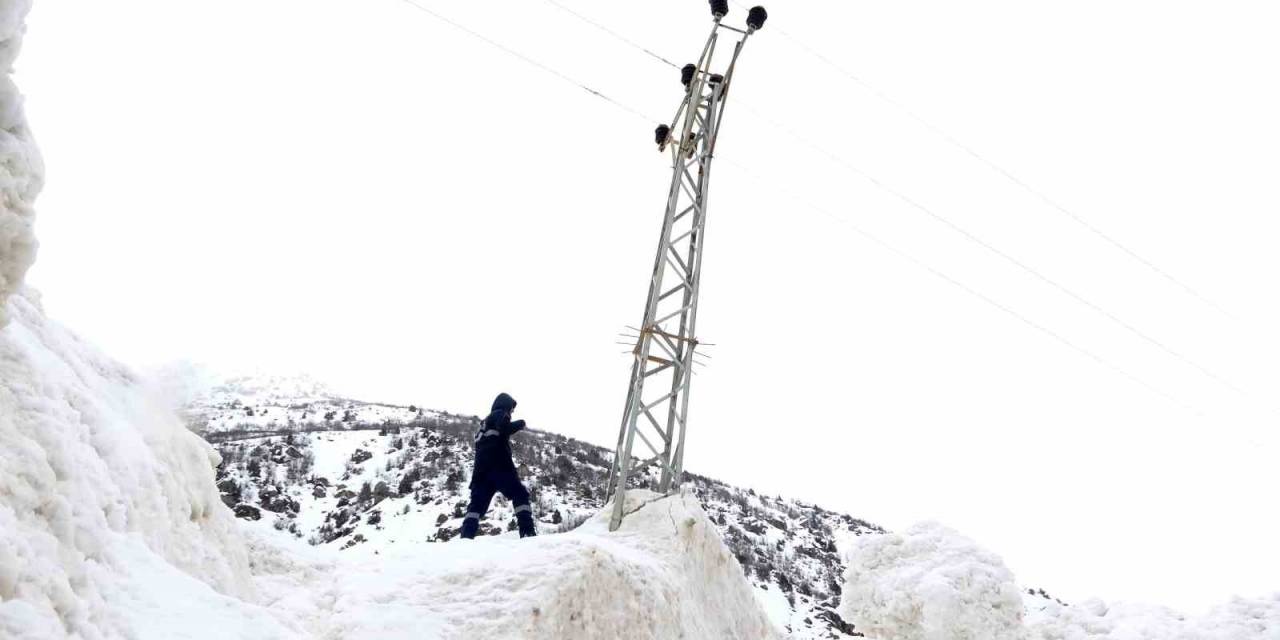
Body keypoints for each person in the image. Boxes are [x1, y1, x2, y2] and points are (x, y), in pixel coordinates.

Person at [459, 392, 537, 539]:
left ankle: (465, 538)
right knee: (520, 494)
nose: (512, 412)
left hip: (481, 473)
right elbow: (504, 427)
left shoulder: (483, 424)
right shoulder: (500, 413)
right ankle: (527, 533)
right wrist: (520, 423)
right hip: (500, 466)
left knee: (475, 507)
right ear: (505, 405)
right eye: (511, 409)